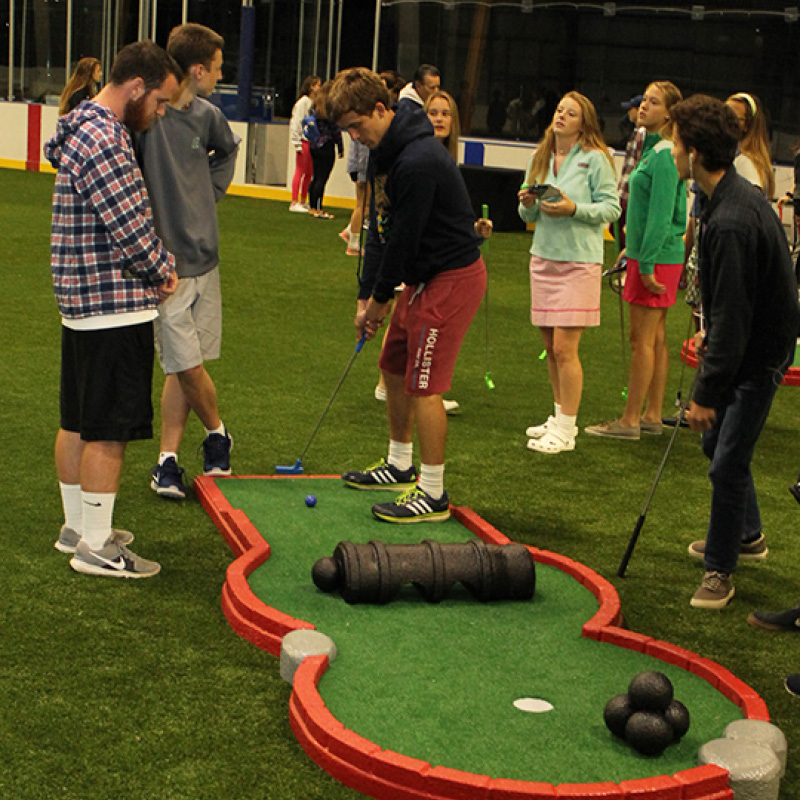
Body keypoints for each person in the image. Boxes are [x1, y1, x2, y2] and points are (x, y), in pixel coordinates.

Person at [45, 41, 180, 578]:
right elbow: (129, 226)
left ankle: (78, 527)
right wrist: (162, 269)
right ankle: (97, 546)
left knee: (78, 418)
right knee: (108, 429)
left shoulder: (84, 127)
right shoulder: (105, 137)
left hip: (84, 303)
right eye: (162, 101)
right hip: (111, 304)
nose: (162, 112)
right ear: (137, 88)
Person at [327, 67, 486, 523]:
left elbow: (405, 240)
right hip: (421, 277)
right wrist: (367, 295)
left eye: (358, 125)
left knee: (425, 383)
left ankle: (433, 493)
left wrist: (380, 298)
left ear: (383, 109)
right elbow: (379, 229)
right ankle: (400, 464)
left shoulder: (418, 160)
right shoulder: (383, 152)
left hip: (451, 277)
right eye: (347, 130)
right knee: (393, 363)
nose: (355, 136)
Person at [668, 94, 800, 608]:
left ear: (695, 152)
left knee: (726, 461)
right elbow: (732, 305)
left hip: (760, 355)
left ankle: (719, 570)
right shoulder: (719, 197)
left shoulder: (731, 220)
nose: (671, 151)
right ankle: (747, 535)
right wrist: (714, 334)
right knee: (717, 448)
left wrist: (705, 394)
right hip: (748, 340)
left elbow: (736, 318)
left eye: (676, 143)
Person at [136, 23, 239, 500]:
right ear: (197, 69)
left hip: (206, 259)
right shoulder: (148, 118)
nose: (220, 76)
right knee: (186, 361)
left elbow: (228, 151)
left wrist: (209, 191)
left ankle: (167, 461)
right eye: (218, 68)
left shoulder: (208, 116)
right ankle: (218, 433)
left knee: (182, 366)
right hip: (166, 268)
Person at [518, 91, 620, 454]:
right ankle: (559, 416)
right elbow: (527, 217)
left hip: (579, 262)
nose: (561, 116)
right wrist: (528, 204)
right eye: (559, 109)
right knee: (550, 346)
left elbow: (610, 209)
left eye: (570, 113)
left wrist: (574, 208)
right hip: (543, 257)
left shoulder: (596, 159)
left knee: (565, 348)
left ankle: (567, 429)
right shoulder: (539, 156)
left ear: (584, 122)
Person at [585, 81, 685, 441]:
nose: (644, 106)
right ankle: (652, 414)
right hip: (656, 254)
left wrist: (643, 263)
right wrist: (634, 248)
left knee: (642, 339)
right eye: (644, 100)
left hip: (656, 258)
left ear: (669, 113)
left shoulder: (662, 155)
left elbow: (660, 216)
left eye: (653, 102)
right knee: (655, 338)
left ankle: (630, 420)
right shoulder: (657, 150)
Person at [305, 81, 344, 220]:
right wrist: (340, 147)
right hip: (326, 145)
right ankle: (319, 208)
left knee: (316, 176)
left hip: (314, 145)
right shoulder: (329, 109)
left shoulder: (314, 107)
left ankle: (312, 206)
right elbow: (336, 130)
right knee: (322, 178)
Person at [725, 92, 775, 199]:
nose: (725, 121)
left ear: (747, 125)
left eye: (733, 117)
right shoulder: (731, 155)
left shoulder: (746, 162)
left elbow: (748, 208)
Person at [289, 75, 321, 213]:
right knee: (300, 170)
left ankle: (303, 200)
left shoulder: (313, 102)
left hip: (310, 141)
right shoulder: (303, 102)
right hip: (303, 140)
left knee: (309, 172)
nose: (320, 87)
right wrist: (296, 142)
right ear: (311, 86)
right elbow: (297, 122)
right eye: (318, 85)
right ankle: (294, 201)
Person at [340, 139, 370, 255]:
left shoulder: (356, 134)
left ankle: (350, 231)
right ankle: (353, 244)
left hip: (358, 169)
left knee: (362, 205)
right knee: (364, 206)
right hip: (364, 171)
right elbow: (364, 154)